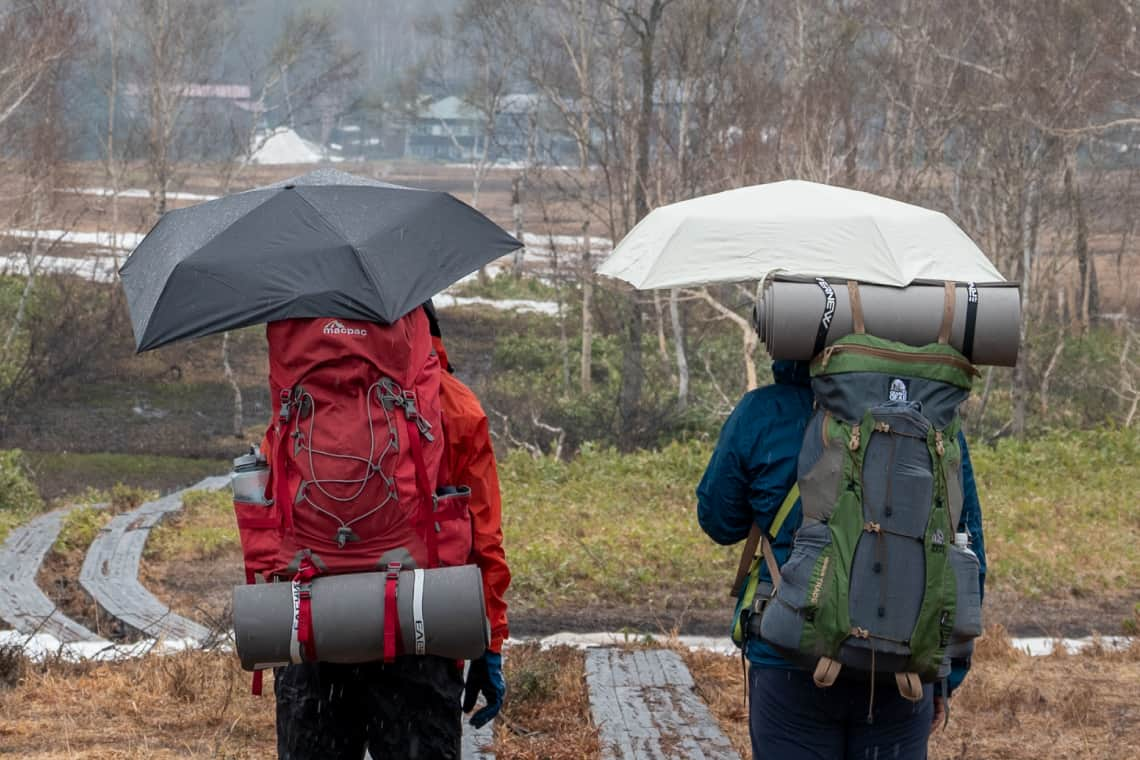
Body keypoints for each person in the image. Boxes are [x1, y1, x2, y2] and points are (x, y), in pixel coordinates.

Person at [697, 359, 986, 760]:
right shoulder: (933, 423)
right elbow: (967, 554)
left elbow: (718, 521)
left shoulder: (762, 411)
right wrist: (943, 678)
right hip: (901, 671)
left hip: (787, 658)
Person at [273, 304, 510, 760]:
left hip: (316, 628)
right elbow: (485, 540)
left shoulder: (300, 401)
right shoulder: (453, 406)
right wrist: (489, 642)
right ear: (421, 331)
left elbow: (275, 517)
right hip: (420, 626)